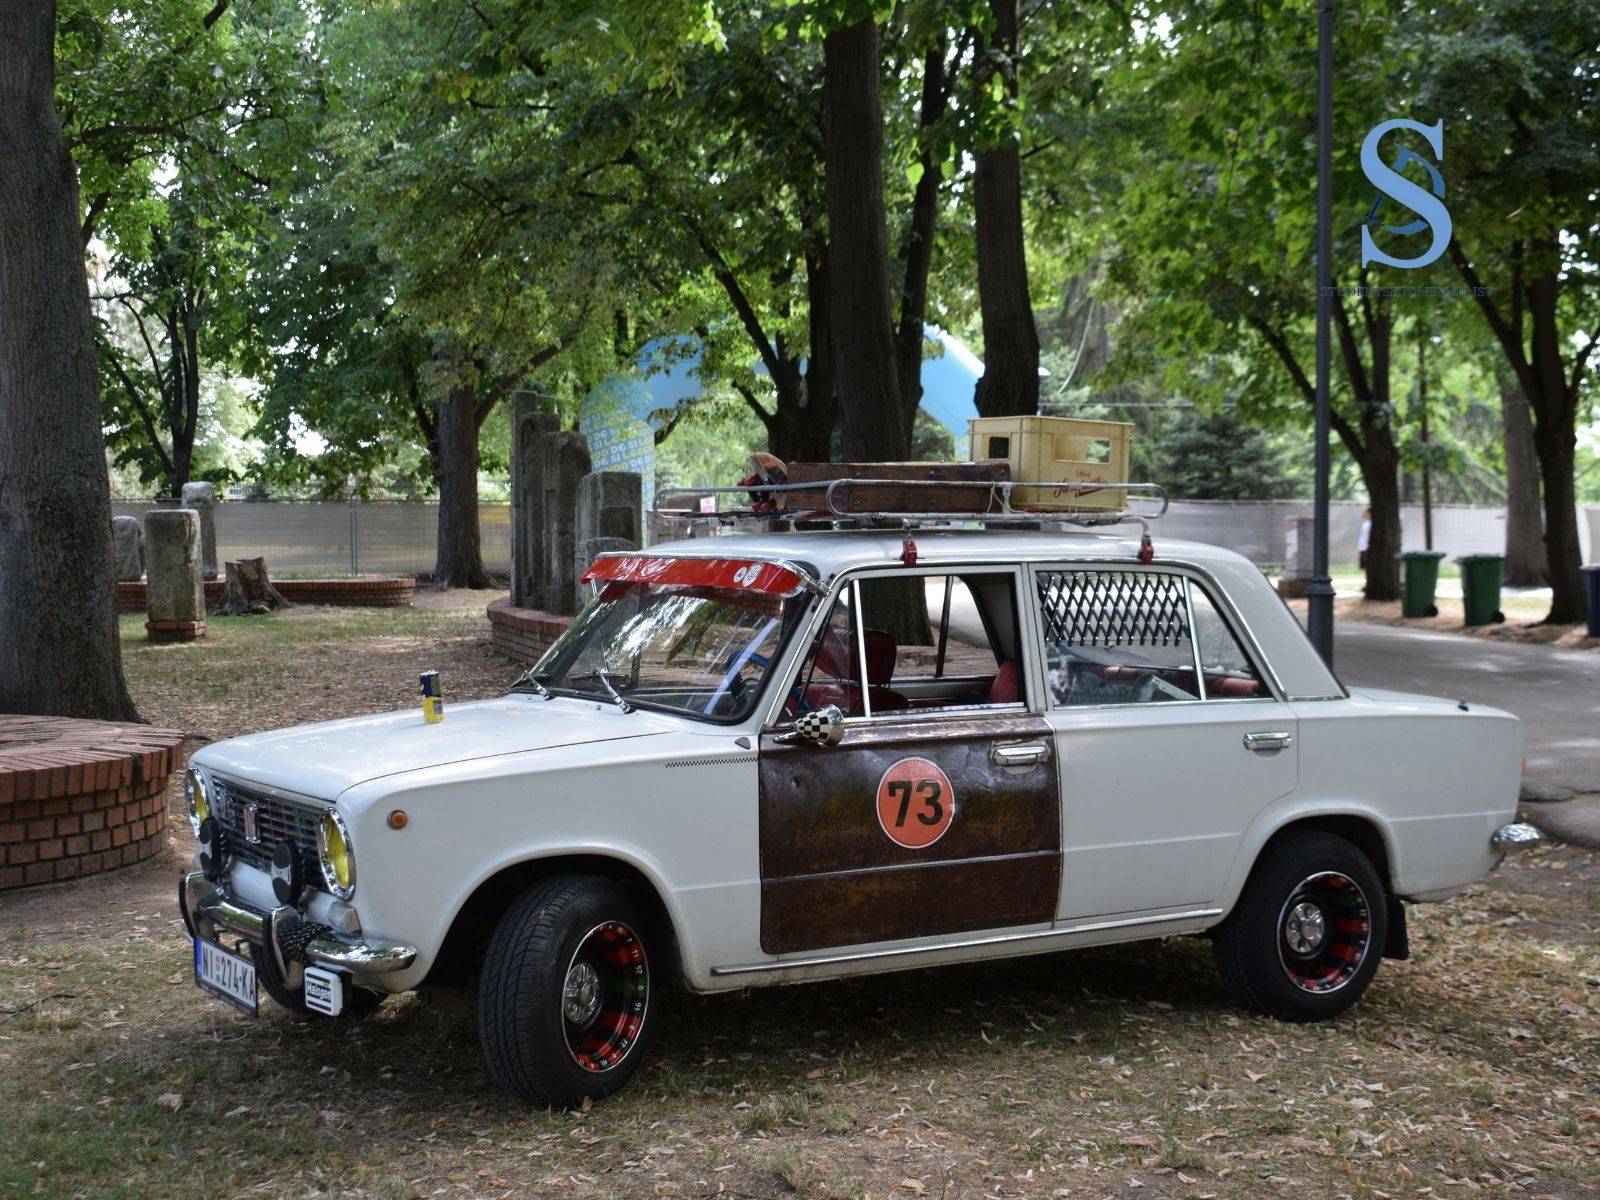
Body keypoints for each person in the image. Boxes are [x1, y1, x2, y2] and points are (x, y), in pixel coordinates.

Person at [1357, 506, 1372, 581]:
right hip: (1363, 548)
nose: (1363, 514)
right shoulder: (1366, 524)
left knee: (1367, 567)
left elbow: (1365, 539)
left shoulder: (1368, 525)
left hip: (1366, 549)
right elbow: (1362, 538)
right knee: (1364, 568)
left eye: (1366, 512)